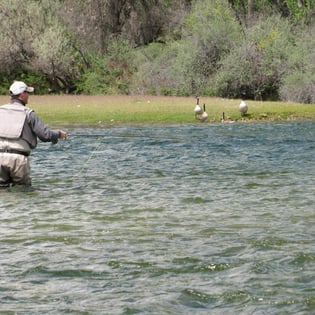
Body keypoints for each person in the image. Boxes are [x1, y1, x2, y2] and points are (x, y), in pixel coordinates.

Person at [0, 81, 67, 187]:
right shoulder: (28, 113)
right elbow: (45, 135)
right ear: (22, 95)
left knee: (2, 192)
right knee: (23, 193)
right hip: (18, 159)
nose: (28, 96)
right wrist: (58, 134)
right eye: (27, 93)